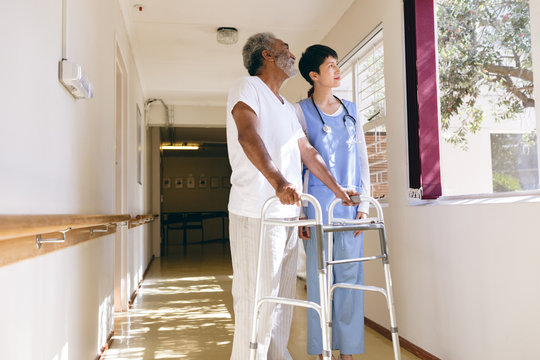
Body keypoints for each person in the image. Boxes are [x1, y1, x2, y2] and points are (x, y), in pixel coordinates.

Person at [226, 33, 358, 360]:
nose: (292, 54)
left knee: (281, 301)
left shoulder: (285, 107)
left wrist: (339, 191)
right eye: (286, 49)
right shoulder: (247, 88)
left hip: (285, 216)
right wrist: (279, 181)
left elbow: (309, 153)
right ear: (268, 55)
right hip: (256, 212)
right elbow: (247, 135)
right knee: (255, 298)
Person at [296, 45, 371, 360]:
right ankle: (323, 349)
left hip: (350, 209)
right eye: (330, 66)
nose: (337, 70)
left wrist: (364, 206)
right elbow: (297, 165)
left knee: (350, 280)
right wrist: (301, 212)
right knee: (319, 279)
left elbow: (363, 160)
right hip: (317, 208)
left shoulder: (352, 110)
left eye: (337, 64)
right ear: (314, 75)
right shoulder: (300, 111)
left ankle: (349, 352)